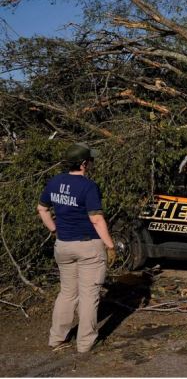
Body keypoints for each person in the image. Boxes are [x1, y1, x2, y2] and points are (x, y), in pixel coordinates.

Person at [37, 142, 116, 353]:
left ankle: (56, 338)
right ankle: (84, 344)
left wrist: (53, 229)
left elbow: (42, 208)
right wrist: (110, 246)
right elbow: (97, 219)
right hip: (88, 246)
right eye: (90, 160)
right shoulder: (88, 186)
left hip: (63, 245)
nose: (91, 163)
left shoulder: (54, 182)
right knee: (89, 295)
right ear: (83, 164)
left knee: (67, 293)